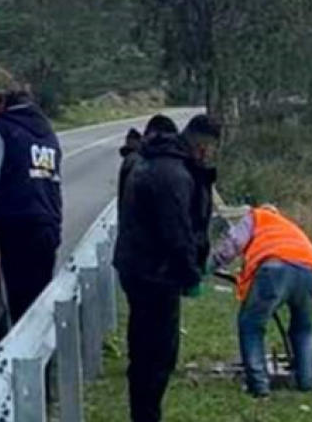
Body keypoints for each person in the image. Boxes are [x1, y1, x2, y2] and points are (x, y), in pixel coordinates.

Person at [113, 113, 223, 422]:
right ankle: (147, 415)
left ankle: (144, 412)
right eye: (210, 148)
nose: (209, 155)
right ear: (201, 143)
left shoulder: (155, 161)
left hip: (140, 269)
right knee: (157, 356)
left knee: (144, 351)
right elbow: (177, 231)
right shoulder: (173, 173)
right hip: (156, 274)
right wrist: (190, 273)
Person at [209, 204, 312, 398]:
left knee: (251, 324)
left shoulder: (256, 216)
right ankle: (307, 382)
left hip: (276, 268)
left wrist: (204, 268)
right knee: (303, 327)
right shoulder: (288, 225)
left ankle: (259, 386)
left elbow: (231, 246)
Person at [0, 89, 63, 322]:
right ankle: (43, 352)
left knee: (19, 298)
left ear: (3, 104)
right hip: (48, 223)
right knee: (41, 297)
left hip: (15, 224)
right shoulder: (48, 135)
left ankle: (22, 352)